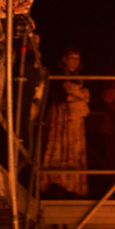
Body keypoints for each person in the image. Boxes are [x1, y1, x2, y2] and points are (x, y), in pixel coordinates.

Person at [42, 49, 90, 197]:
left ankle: (72, 185)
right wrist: (77, 96)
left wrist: (79, 96)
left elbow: (85, 96)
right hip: (61, 116)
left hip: (76, 119)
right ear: (65, 59)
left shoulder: (79, 77)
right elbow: (59, 95)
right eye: (71, 58)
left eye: (77, 58)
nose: (74, 61)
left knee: (74, 150)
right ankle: (56, 183)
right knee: (59, 148)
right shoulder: (58, 74)